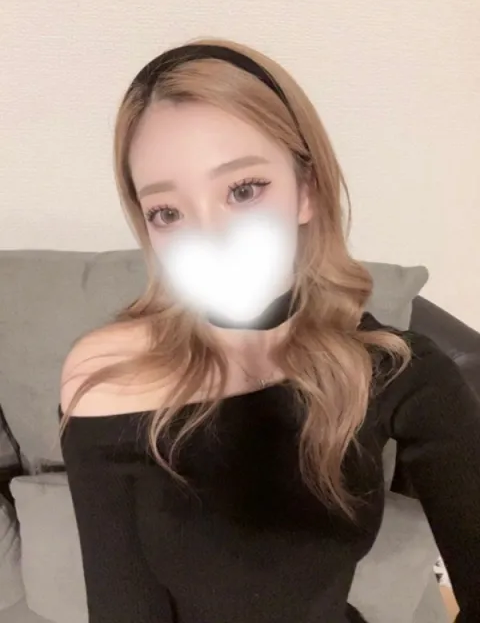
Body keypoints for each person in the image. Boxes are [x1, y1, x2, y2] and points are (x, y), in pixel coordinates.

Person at [59, 38, 480, 623]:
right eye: (168, 213)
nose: (209, 237)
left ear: (307, 190)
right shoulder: (111, 375)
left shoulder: (393, 371)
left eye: (243, 190)